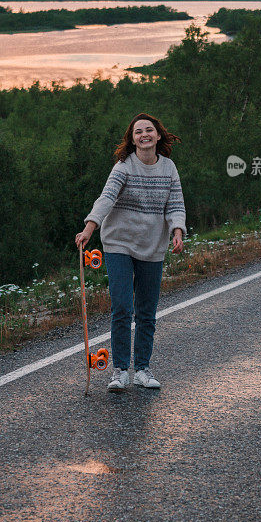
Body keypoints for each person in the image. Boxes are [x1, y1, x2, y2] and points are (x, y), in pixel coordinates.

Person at [75, 113, 186, 391]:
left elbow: (175, 204)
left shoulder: (169, 168)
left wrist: (177, 230)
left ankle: (143, 370)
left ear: (158, 135)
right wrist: (89, 228)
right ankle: (121, 370)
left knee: (146, 311)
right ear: (132, 139)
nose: (144, 135)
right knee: (123, 306)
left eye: (149, 130)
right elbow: (107, 197)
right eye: (138, 132)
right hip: (119, 243)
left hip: (152, 245)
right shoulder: (124, 166)